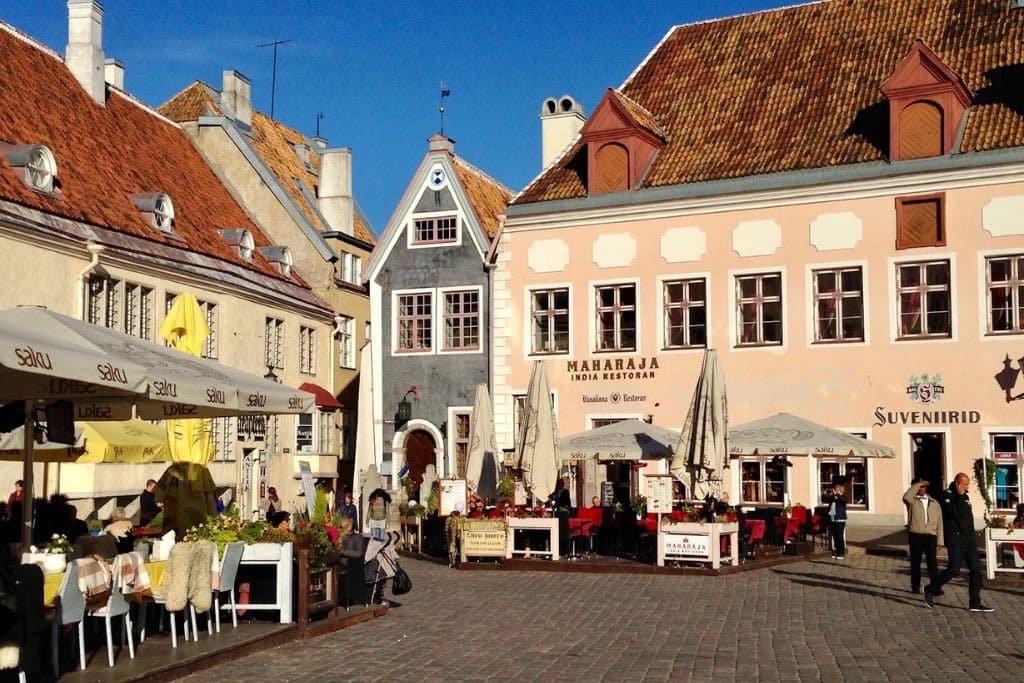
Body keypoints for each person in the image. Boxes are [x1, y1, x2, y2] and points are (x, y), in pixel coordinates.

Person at [924, 473, 993, 612]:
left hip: (969, 539)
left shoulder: (965, 496)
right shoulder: (947, 495)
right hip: (955, 539)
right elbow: (953, 512)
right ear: (957, 483)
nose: (966, 487)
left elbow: (967, 516)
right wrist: (960, 496)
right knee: (954, 569)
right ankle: (930, 588)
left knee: (976, 571)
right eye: (964, 484)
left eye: (967, 484)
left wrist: (973, 535)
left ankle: (974, 602)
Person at [904, 478, 942, 594]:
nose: (921, 489)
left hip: (931, 536)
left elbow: (939, 523)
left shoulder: (934, 503)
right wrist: (917, 484)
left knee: (932, 563)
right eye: (919, 486)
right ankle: (915, 587)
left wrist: (940, 540)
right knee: (916, 563)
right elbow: (906, 496)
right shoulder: (912, 501)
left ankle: (935, 587)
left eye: (923, 486)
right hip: (916, 535)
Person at [825, 479, 848, 559]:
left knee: (840, 536)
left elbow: (843, 501)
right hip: (833, 519)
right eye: (835, 489)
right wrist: (831, 494)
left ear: (841, 490)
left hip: (840, 519)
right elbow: (828, 499)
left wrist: (837, 495)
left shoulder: (843, 497)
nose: (836, 491)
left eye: (838, 489)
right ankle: (837, 552)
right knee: (835, 536)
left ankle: (841, 553)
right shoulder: (833, 497)